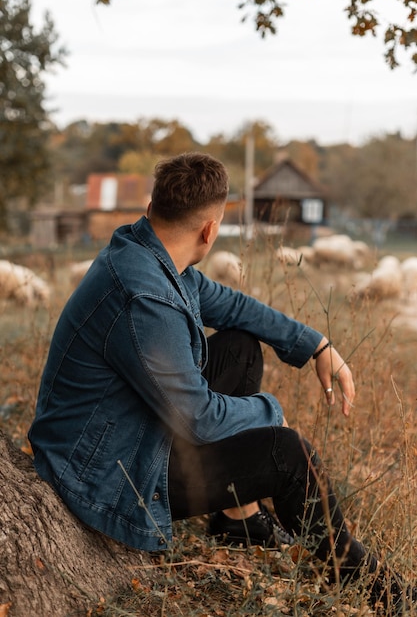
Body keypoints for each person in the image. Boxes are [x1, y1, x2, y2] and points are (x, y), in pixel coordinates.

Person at [28, 152, 415, 612]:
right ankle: (370, 583)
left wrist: (315, 343)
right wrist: (271, 411)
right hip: (106, 474)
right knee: (287, 453)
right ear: (210, 231)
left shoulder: (150, 253)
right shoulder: (144, 295)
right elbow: (199, 420)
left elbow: (232, 306)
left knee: (238, 345)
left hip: (122, 431)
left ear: (154, 206)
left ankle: (239, 521)